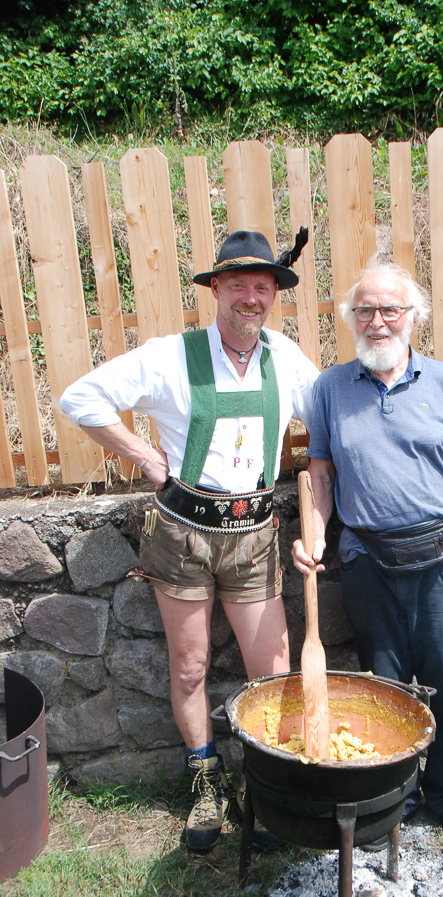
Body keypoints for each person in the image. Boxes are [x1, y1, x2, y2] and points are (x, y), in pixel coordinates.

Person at [61, 230, 319, 852]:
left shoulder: (286, 359)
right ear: (216, 290)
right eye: (239, 285)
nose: (251, 297)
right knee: (190, 665)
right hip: (182, 536)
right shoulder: (169, 357)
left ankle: (268, 782)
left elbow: (331, 421)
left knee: (272, 671)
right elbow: (79, 398)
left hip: (255, 534)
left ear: (274, 295)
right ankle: (205, 782)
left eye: (263, 287)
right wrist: (147, 458)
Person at [292, 259, 443, 851]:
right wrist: (314, 535)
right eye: (365, 310)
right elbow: (321, 476)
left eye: (389, 309)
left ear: (413, 317)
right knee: (384, 689)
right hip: (367, 563)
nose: (377, 321)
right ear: (350, 318)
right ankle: (395, 800)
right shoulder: (330, 390)